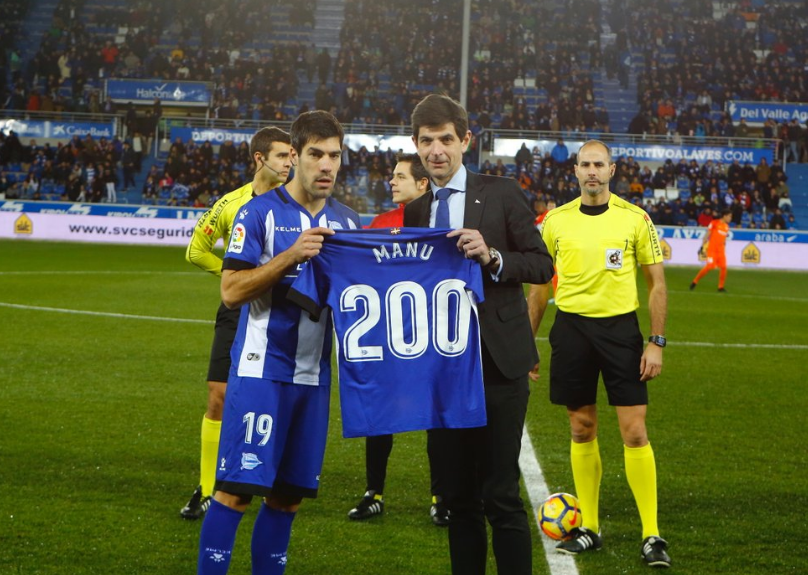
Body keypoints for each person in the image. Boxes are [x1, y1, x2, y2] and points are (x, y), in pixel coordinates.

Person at [196, 111, 360, 574]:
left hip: (313, 379)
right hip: (260, 372)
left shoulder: (349, 222)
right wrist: (290, 256)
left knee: (288, 498)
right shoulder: (259, 213)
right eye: (316, 155)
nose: (327, 165)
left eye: (335, 155)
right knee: (234, 490)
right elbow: (230, 290)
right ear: (296, 156)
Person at [403, 94, 554, 575]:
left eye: (446, 139)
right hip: (441, 370)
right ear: (416, 146)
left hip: (497, 363)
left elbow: (541, 264)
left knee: (502, 494)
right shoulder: (416, 210)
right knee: (458, 499)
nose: (437, 150)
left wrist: (493, 257)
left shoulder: (502, 192)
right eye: (427, 141)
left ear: (465, 140)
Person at [528, 140, 671, 568]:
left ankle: (652, 535)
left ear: (612, 170)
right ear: (574, 170)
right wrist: (525, 346)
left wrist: (656, 341)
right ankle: (589, 527)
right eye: (585, 165)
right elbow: (538, 290)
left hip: (620, 332)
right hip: (571, 329)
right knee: (581, 425)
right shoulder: (554, 222)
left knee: (634, 431)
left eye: (599, 165)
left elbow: (658, 285)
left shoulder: (635, 219)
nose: (592, 171)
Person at [180, 127, 292, 520]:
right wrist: (237, 279)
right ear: (260, 159)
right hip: (239, 307)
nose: (291, 162)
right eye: (282, 156)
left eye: (293, 155)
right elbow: (196, 251)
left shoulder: (297, 201)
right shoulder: (230, 203)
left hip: (284, 310)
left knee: (278, 397)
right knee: (218, 396)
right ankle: (208, 487)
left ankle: (269, 478)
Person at [346, 153, 449, 526]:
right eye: (392, 176)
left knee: (437, 417)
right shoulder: (380, 223)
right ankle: (374, 493)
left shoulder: (442, 222)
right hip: (386, 335)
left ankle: (441, 496)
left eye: (400, 176)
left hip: (431, 336)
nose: (391, 181)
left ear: (423, 183)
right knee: (380, 417)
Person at [690, 208, 732, 292]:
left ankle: (720, 287)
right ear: (725, 216)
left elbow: (723, 239)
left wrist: (724, 246)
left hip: (721, 251)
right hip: (712, 250)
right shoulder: (714, 223)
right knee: (709, 266)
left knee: (724, 267)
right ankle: (695, 281)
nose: (730, 218)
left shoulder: (726, 227)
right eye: (730, 216)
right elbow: (706, 235)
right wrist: (702, 246)